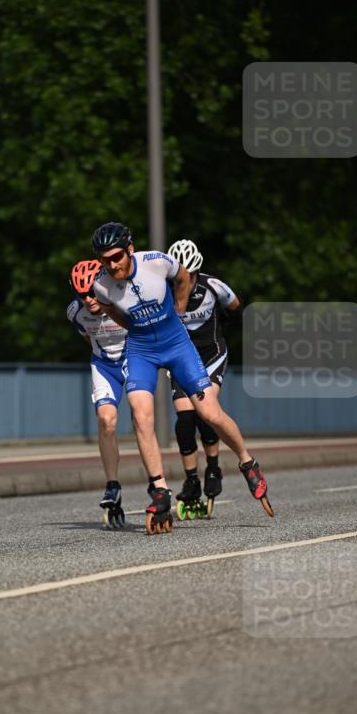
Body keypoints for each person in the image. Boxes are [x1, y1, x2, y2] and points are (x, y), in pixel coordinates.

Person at [90, 222, 272, 532]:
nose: (112, 264)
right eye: (105, 259)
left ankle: (246, 461)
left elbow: (184, 277)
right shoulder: (101, 285)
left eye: (117, 257)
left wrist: (178, 307)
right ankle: (159, 490)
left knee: (208, 412)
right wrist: (133, 327)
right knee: (140, 415)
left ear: (130, 249)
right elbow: (111, 310)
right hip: (142, 350)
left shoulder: (156, 262)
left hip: (176, 345)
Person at [166, 238, 241, 517]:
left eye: (190, 275)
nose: (184, 281)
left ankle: (213, 467)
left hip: (211, 354)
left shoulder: (213, 286)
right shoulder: (164, 291)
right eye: (177, 277)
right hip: (182, 359)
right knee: (185, 419)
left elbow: (237, 307)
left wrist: (223, 326)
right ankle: (191, 480)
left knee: (206, 414)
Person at [67, 259, 128, 528]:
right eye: (82, 295)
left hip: (134, 358)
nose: (88, 300)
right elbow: (87, 338)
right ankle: (112, 485)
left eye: (92, 292)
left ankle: (157, 484)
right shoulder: (74, 312)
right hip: (104, 363)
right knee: (106, 421)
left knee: (142, 418)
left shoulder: (124, 299)